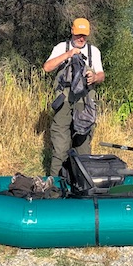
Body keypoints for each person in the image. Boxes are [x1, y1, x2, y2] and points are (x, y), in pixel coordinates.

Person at [43, 18, 105, 177]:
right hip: (63, 100)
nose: (81, 38)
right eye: (78, 34)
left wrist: (95, 78)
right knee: (60, 147)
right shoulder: (61, 48)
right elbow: (47, 67)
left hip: (85, 102)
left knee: (83, 147)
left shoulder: (94, 51)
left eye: (84, 35)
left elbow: (101, 75)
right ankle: (55, 185)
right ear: (72, 31)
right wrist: (68, 54)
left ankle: (82, 184)